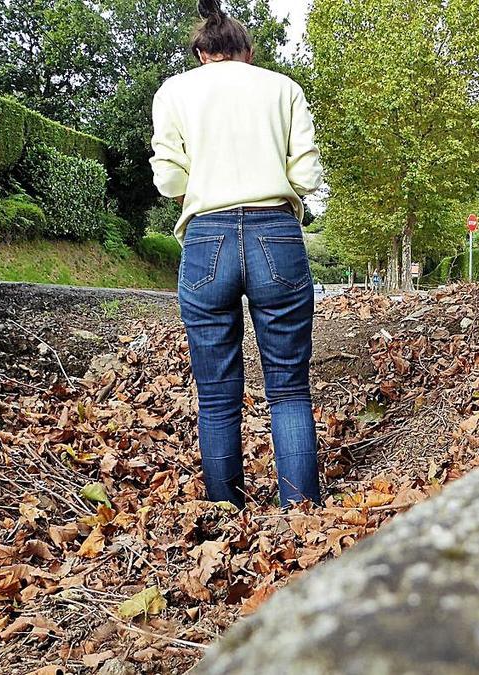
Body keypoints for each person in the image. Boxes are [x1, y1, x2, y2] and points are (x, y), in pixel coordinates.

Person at [150, 0, 323, 509]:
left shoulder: (175, 91)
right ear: (248, 52)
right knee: (289, 388)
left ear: (202, 53)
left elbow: (168, 178)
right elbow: (308, 177)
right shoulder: (283, 88)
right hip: (277, 236)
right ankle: (301, 512)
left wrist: (201, 190)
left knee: (217, 393)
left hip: (206, 238)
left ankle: (226, 514)